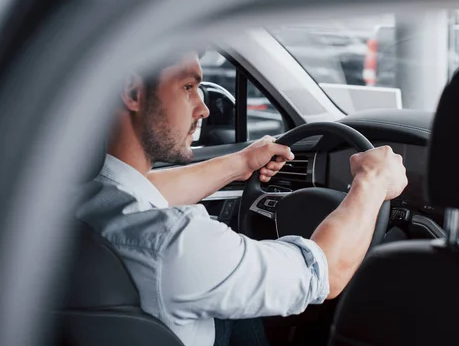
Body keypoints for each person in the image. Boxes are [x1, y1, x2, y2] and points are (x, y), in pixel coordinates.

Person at [77, 51, 408, 346]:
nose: (204, 108)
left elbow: (142, 193)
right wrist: (373, 181)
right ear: (134, 93)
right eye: (188, 88)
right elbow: (324, 274)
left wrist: (240, 163)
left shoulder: (72, 198)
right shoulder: (172, 243)